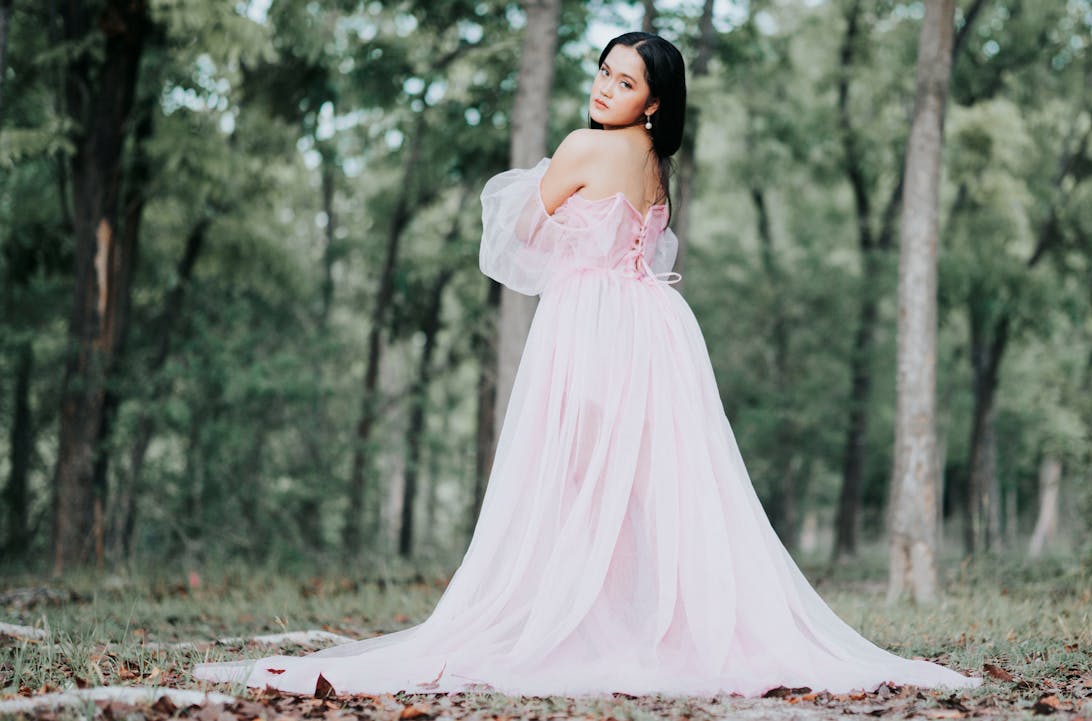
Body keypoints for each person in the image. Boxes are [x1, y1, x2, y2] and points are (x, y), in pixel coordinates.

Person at [191, 31, 981, 699]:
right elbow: (649, 246)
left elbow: (516, 242)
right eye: (603, 72)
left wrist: (546, 195)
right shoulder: (652, 162)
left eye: (625, 81)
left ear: (655, 101)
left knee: (571, 481)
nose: (605, 87)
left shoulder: (583, 148)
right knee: (648, 487)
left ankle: (572, 620)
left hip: (592, 323)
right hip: (656, 326)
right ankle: (638, 619)